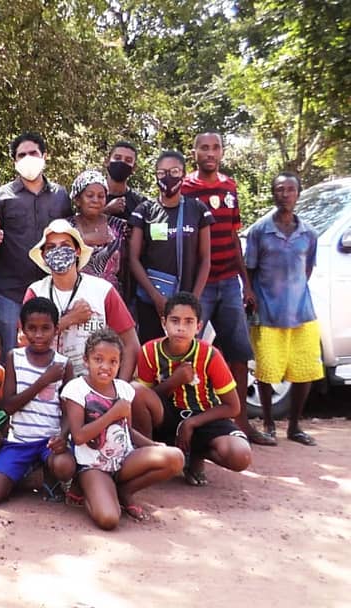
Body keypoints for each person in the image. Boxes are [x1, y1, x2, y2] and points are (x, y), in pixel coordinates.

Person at [182, 132, 269, 445]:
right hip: (200, 285)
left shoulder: (230, 186)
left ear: (222, 152)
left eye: (215, 147)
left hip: (229, 282)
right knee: (188, 351)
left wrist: (246, 284)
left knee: (238, 354)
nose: (210, 153)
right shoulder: (186, 188)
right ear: (194, 152)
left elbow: (233, 236)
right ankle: (188, 424)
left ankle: (241, 422)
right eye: (204, 148)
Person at [62, 329, 184, 529]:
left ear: (120, 363)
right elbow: (78, 437)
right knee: (109, 519)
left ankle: (124, 490)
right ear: (86, 361)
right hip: (93, 466)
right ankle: (87, 488)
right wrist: (113, 413)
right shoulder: (77, 389)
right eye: (98, 359)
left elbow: (127, 430)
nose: (105, 367)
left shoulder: (123, 389)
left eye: (113, 361)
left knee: (175, 457)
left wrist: (152, 445)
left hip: (123, 461)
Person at [132, 292, 252, 487]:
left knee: (240, 456)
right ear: (164, 323)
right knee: (135, 390)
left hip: (203, 417)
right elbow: (143, 397)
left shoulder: (210, 355)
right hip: (167, 417)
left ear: (198, 327)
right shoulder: (149, 351)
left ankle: (196, 454)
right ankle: (149, 458)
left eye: (189, 322)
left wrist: (191, 423)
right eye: (175, 321)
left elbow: (233, 407)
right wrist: (174, 381)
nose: (181, 327)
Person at [246, 173, 323, 446]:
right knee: (266, 371)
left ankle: (294, 426)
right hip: (268, 312)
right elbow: (249, 269)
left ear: (298, 193)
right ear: (273, 193)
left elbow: (307, 269)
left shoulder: (309, 233)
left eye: (291, 189)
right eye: (280, 189)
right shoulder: (259, 231)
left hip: (302, 312)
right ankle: (268, 424)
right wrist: (251, 296)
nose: (286, 194)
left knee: (305, 370)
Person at [0, 132, 72, 353]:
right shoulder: (0, 196)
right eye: (22, 155)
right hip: (11, 291)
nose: (28, 158)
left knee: (54, 348)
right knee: (12, 351)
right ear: (14, 161)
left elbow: (70, 233)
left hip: (52, 287)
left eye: (33, 153)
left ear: (44, 156)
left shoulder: (60, 195)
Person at [0, 297, 75, 505]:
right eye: (32, 328)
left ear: (56, 329)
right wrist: (44, 381)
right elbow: (8, 406)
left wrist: (62, 436)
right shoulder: (14, 357)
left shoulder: (63, 364)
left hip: (49, 442)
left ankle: (48, 472)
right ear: (22, 328)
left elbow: (69, 411)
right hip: (19, 442)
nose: (38, 335)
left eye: (45, 328)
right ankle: (28, 469)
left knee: (65, 467)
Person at [22, 220, 139, 379]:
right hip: (45, 383)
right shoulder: (36, 292)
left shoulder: (102, 290)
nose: (58, 251)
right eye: (51, 247)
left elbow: (131, 344)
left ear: (77, 251)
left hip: (95, 385)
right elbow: (24, 342)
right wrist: (69, 319)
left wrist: (120, 388)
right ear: (44, 255)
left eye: (65, 245)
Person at [128, 151, 213, 344]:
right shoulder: (144, 211)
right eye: (162, 172)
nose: (168, 177)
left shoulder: (198, 210)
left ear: (184, 173)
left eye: (174, 171)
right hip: (152, 302)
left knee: (184, 352)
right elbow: (133, 258)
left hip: (187, 301)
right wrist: (156, 297)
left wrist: (193, 301)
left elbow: (205, 259)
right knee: (153, 351)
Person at [68, 170, 130, 293]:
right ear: (77, 199)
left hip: (111, 296)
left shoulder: (119, 226)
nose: (96, 200)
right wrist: (87, 239)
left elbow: (128, 265)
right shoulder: (66, 227)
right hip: (75, 295)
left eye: (101, 196)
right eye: (90, 195)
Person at [102, 141, 146, 222]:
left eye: (128, 160)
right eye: (117, 158)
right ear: (107, 161)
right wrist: (106, 210)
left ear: (134, 168)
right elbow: (80, 224)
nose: (122, 162)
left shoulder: (141, 203)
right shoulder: (91, 195)